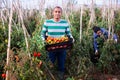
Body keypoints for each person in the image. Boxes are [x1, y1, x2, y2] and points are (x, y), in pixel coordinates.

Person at [40, 6, 74, 79]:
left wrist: (71, 38)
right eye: (56, 11)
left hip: (62, 46)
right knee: (50, 62)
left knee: (61, 63)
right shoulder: (47, 22)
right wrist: (43, 41)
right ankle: (49, 76)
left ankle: (60, 77)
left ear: (61, 13)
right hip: (51, 47)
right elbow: (42, 34)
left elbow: (68, 33)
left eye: (59, 12)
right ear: (53, 13)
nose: (57, 13)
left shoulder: (65, 23)